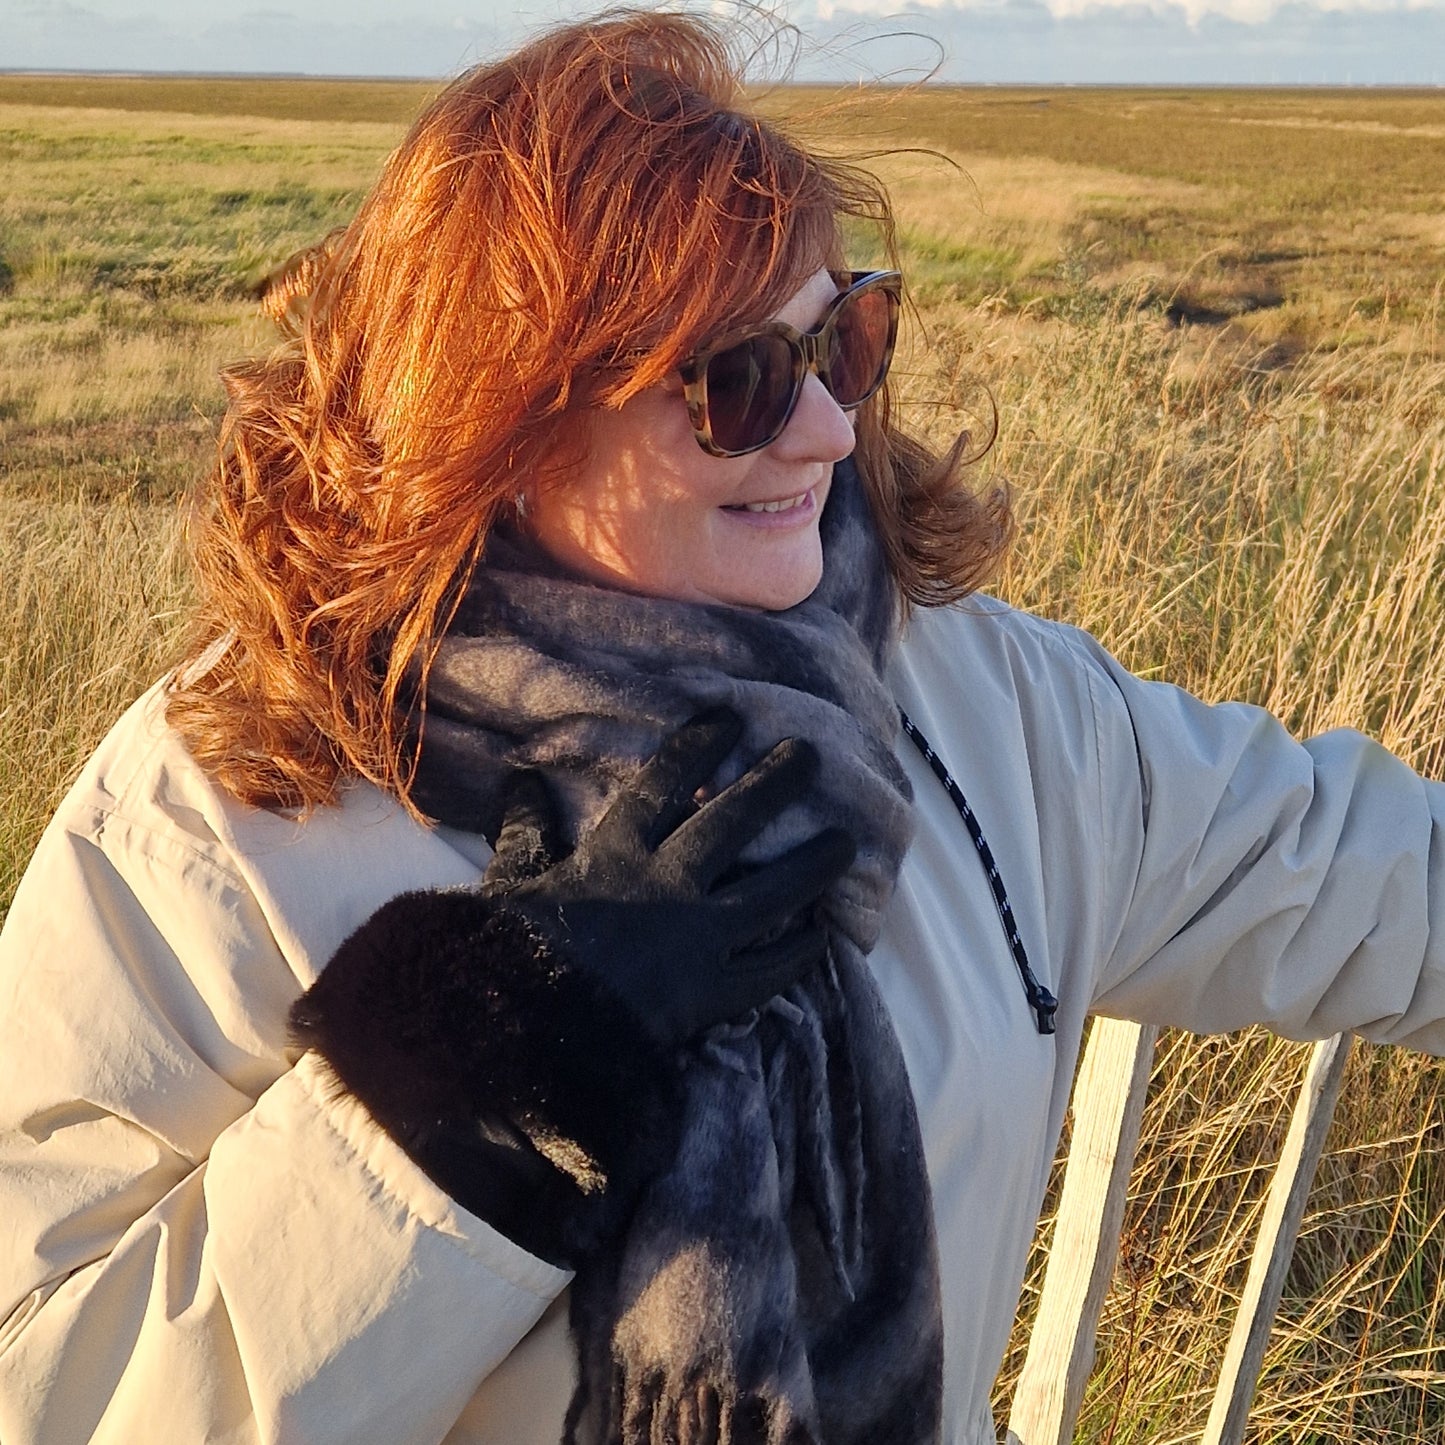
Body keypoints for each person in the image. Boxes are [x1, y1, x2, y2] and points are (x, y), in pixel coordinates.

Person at [2, 11, 1443, 1445]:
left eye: (845, 338)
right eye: (735, 381)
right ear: (499, 423)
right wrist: (495, 1073)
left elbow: (1362, 887)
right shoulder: (232, 806)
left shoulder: (980, 713)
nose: (822, 428)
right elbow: (48, 1388)